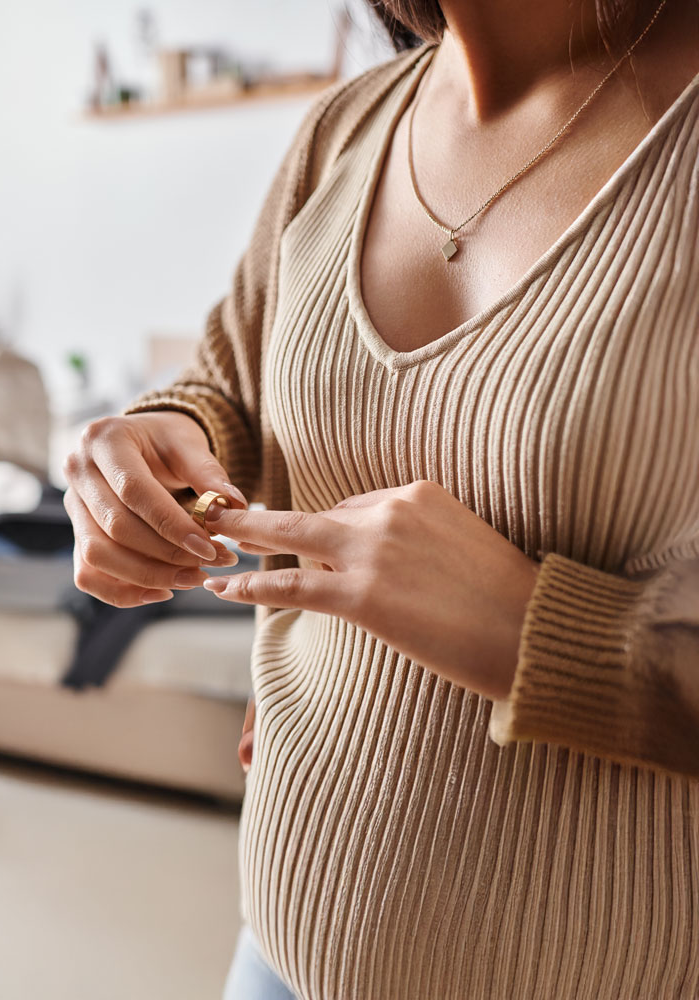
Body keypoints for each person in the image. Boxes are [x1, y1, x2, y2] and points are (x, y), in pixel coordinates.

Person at [63, 0, 699, 996]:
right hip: (276, 948)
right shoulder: (344, 128)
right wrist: (160, 440)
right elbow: (229, 380)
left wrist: (533, 627)